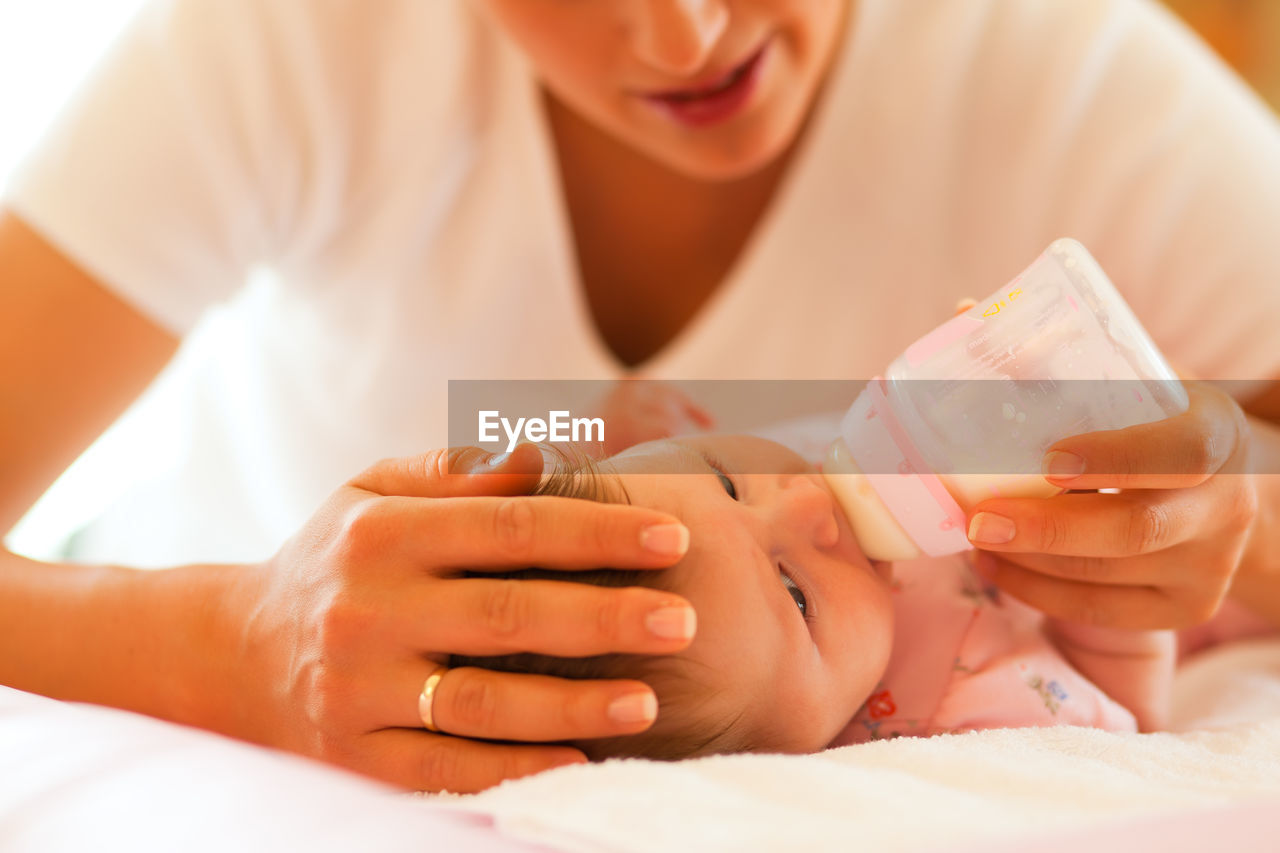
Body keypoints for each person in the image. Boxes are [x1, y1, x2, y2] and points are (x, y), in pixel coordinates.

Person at [2, 0, 1279, 792]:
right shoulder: (286, 39)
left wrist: (1234, 516)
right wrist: (223, 643)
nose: (679, 34)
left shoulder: (1061, 84)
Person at [449, 432, 1238, 761]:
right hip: (1203, 604)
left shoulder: (835, 533)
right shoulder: (968, 724)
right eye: (793, 592)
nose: (806, 507)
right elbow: (1129, 722)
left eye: (728, 481)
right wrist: (1100, 608)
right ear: (784, 755)